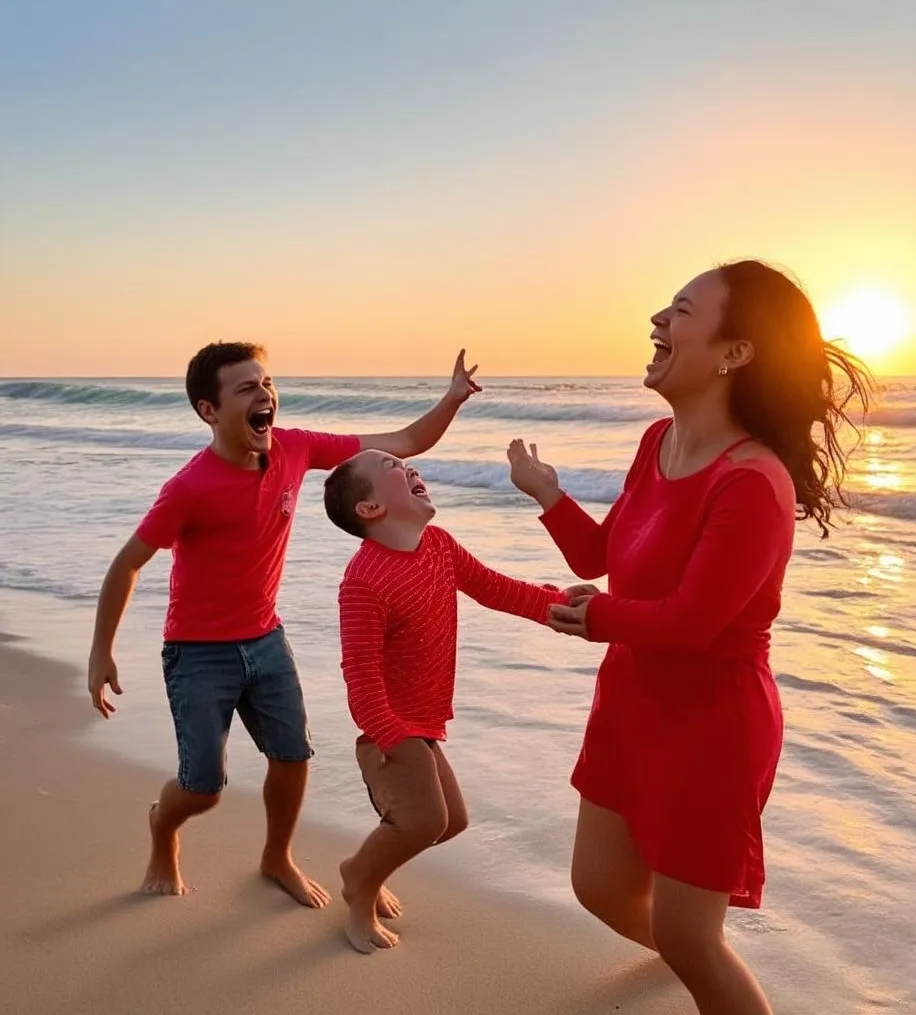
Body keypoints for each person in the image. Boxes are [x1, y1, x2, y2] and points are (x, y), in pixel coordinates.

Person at [507, 260, 871, 1015]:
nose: (657, 321)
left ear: (735, 353)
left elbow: (694, 621)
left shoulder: (753, 480)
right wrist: (548, 495)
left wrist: (595, 618)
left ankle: (710, 975)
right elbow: (604, 558)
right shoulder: (656, 441)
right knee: (600, 887)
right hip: (632, 703)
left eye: (679, 310)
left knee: (690, 935)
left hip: (713, 724)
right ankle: (695, 965)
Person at [87, 341, 481, 907]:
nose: (264, 395)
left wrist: (452, 399)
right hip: (198, 652)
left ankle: (277, 858)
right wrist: (102, 652)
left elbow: (405, 442)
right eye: (246, 388)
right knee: (202, 789)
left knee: (293, 757)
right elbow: (128, 562)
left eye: (266, 383)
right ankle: (163, 828)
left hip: (266, 638)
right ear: (209, 411)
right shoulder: (188, 488)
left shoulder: (294, 449)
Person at [323, 449, 566, 953]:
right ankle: (359, 891)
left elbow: (497, 589)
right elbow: (360, 673)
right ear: (369, 509)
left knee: (451, 822)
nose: (409, 468)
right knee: (424, 821)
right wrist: (392, 736)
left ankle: (361, 866)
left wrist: (557, 604)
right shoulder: (363, 581)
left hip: (423, 723)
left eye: (408, 465)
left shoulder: (438, 546)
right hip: (386, 729)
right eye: (391, 467)